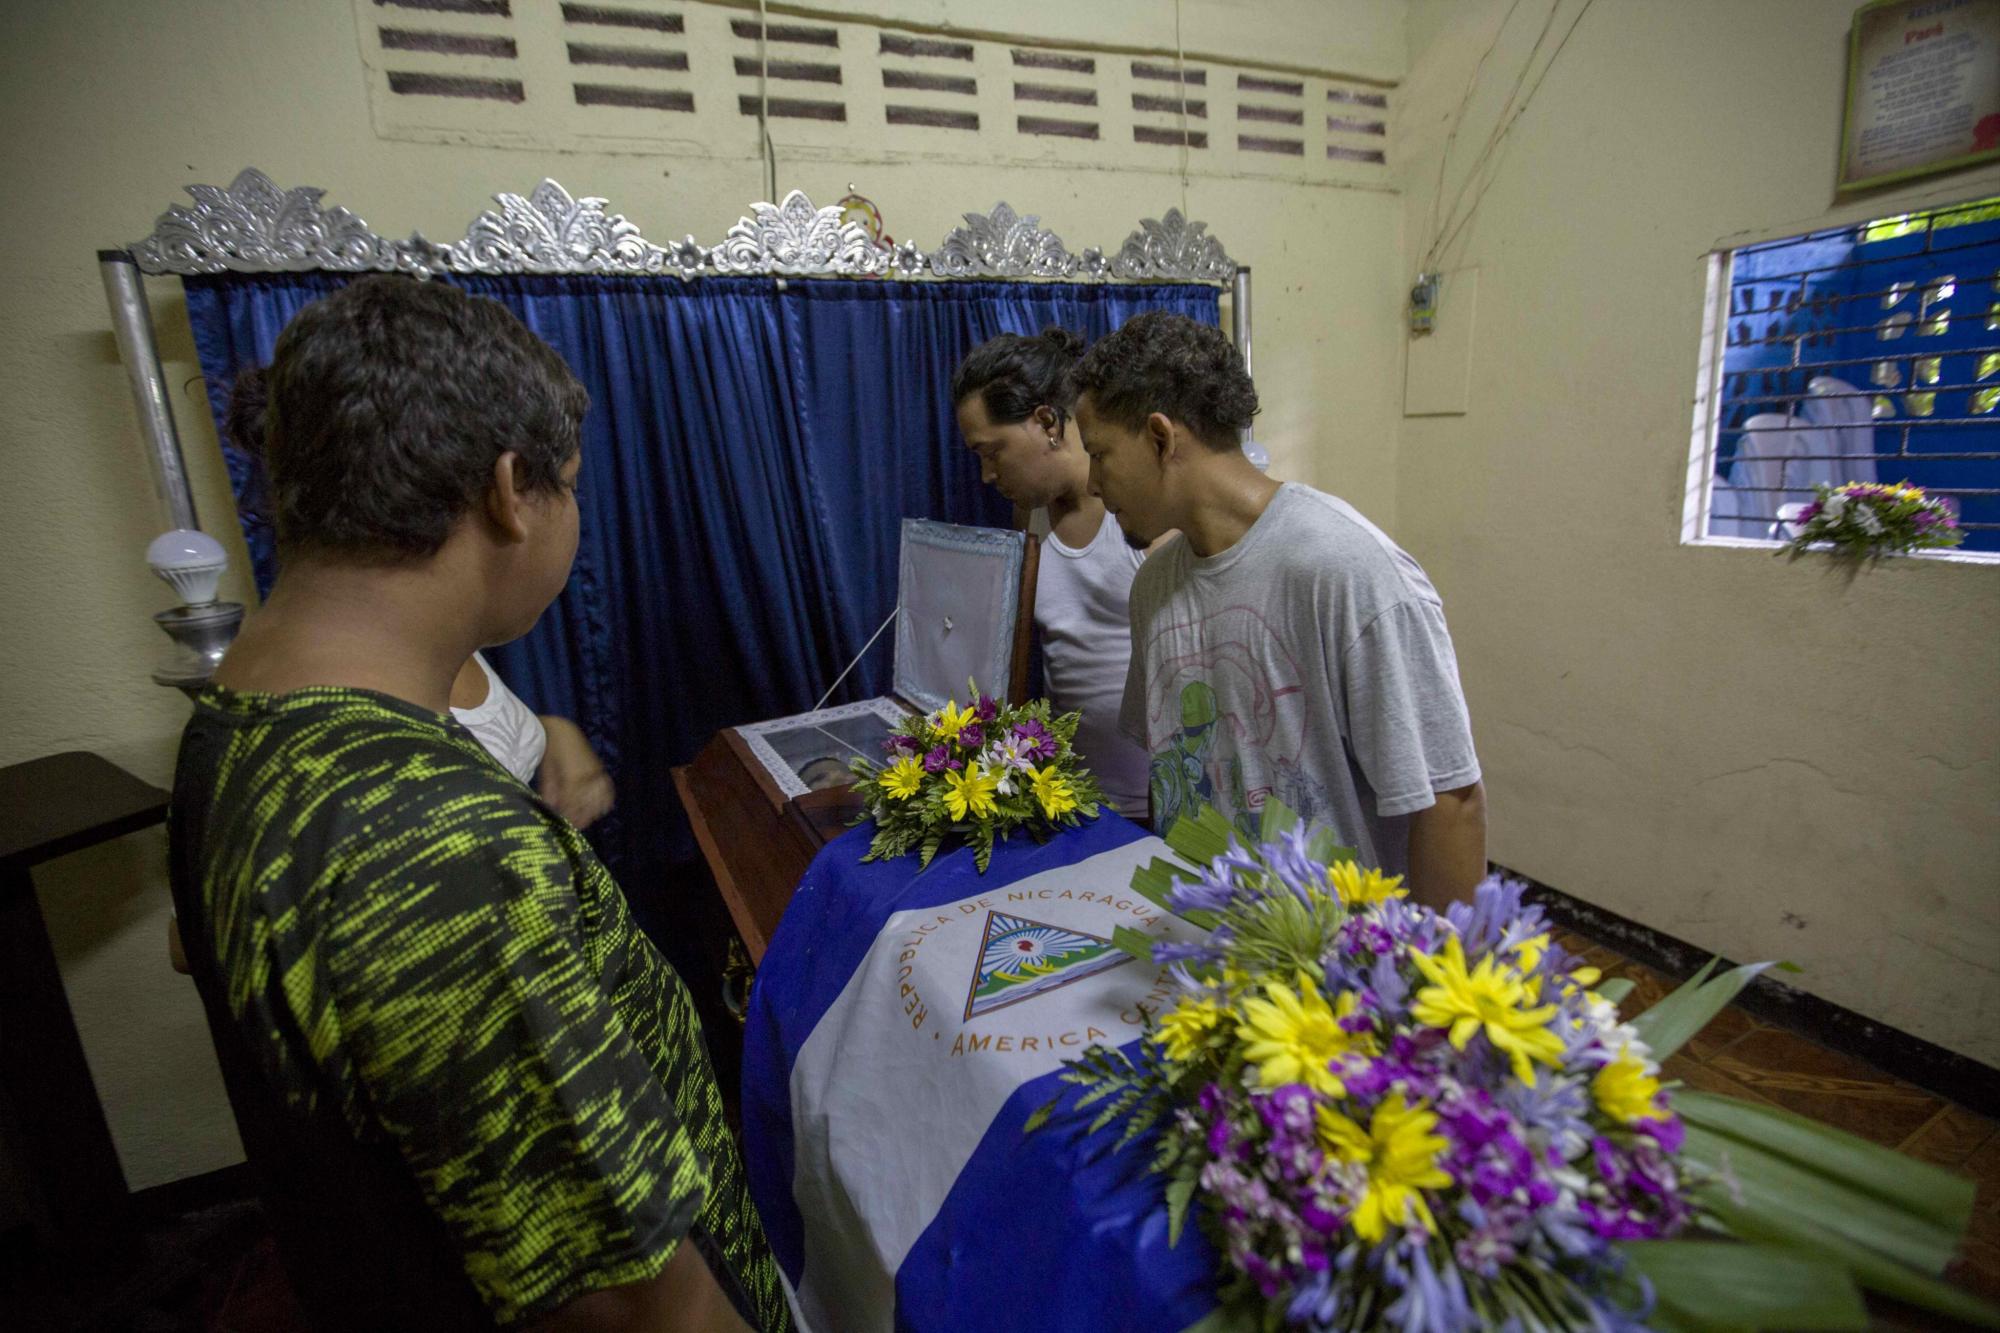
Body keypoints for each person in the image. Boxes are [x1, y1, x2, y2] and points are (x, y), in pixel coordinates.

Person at [168, 275, 790, 1331]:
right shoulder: (436, 845)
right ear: (510, 489)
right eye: (570, 485)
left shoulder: (236, 721)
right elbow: (639, 1307)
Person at [1070, 311, 1487, 908]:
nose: (1091, 483)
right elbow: (1176, 778)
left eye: (1100, 454)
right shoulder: (1154, 588)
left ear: (1161, 439)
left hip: (1341, 950)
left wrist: (1435, 963)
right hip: (1213, 937)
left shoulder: (1345, 569)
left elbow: (1451, 801)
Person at [952, 327, 1153, 816]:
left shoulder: (1141, 513)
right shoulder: (1030, 512)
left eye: (992, 452)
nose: (988, 475)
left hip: (1152, 803)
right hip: (1065, 793)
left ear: (1047, 423)